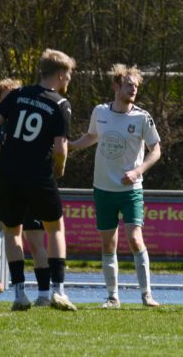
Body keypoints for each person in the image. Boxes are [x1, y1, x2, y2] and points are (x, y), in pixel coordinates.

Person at [68, 64, 162, 308]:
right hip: (103, 189)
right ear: (116, 85)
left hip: (131, 191)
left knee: (134, 239)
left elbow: (156, 150)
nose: (133, 89)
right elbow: (91, 136)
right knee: (108, 243)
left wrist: (138, 171)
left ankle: (146, 295)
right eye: (129, 84)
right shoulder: (100, 111)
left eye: (136, 86)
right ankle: (112, 297)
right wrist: (70, 146)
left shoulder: (142, 117)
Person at [0, 49, 77, 311]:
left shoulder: (18, 95)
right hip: (39, 175)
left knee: (12, 231)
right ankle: (57, 291)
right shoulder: (60, 104)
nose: (69, 79)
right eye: (69, 74)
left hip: (9, 173)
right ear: (61, 74)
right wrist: (60, 168)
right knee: (55, 229)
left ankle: (19, 294)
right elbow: (61, 148)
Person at [0, 79, 52, 305]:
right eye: (9, 96)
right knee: (4, 232)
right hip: (10, 187)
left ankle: (44, 294)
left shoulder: (33, 116)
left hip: (32, 186)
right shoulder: (1, 123)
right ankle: (9, 288)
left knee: (35, 241)